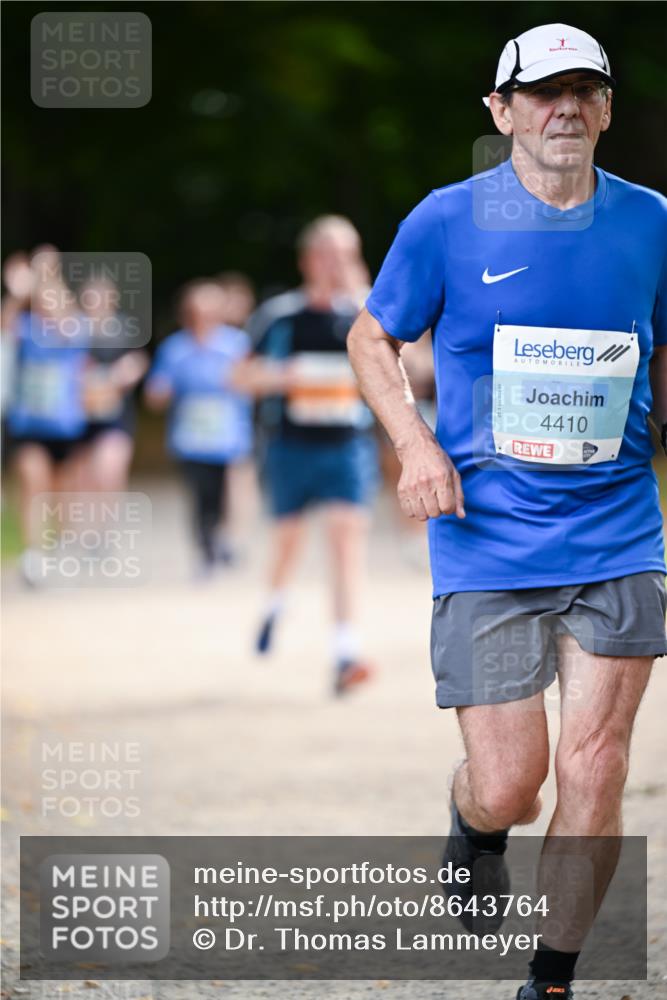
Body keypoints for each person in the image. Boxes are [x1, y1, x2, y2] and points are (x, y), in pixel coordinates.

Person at [347, 23, 666, 1000]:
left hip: (618, 531)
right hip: (486, 539)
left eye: (583, 90)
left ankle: (550, 978)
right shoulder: (447, 220)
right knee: (509, 783)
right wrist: (415, 446)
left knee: (595, 766)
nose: (563, 107)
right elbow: (371, 337)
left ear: (605, 109)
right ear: (502, 110)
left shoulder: (652, 220)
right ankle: (475, 827)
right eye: (541, 92)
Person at [232, 216, 378, 695]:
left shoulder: (367, 314)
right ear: (308, 259)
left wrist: (366, 305)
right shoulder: (280, 315)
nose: (338, 264)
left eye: (347, 254)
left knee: (344, 539)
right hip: (289, 447)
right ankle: (274, 603)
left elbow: (413, 367)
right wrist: (285, 375)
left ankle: (346, 652)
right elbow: (238, 377)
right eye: (329, 254)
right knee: (288, 542)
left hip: (347, 447)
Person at [144, 280, 252, 577]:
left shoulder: (236, 344)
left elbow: (252, 381)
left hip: (229, 435)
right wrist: (159, 391)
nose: (203, 317)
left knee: (229, 491)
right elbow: (157, 389)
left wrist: (243, 381)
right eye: (197, 312)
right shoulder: (174, 348)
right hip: (190, 437)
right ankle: (206, 548)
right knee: (201, 496)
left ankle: (227, 539)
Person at [4, 247, 89, 582]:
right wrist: (19, 292)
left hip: (65, 427)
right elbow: (5, 324)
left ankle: (61, 543)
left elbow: (68, 319)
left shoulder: (73, 331)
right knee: (33, 484)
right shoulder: (25, 330)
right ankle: (33, 553)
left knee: (60, 492)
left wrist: (47, 273)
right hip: (28, 426)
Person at [78, 276, 148, 492]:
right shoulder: (73, 329)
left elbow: (139, 361)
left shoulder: (125, 330)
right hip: (78, 419)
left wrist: (122, 374)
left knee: (109, 473)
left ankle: (107, 515)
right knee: (81, 483)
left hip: (115, 417)